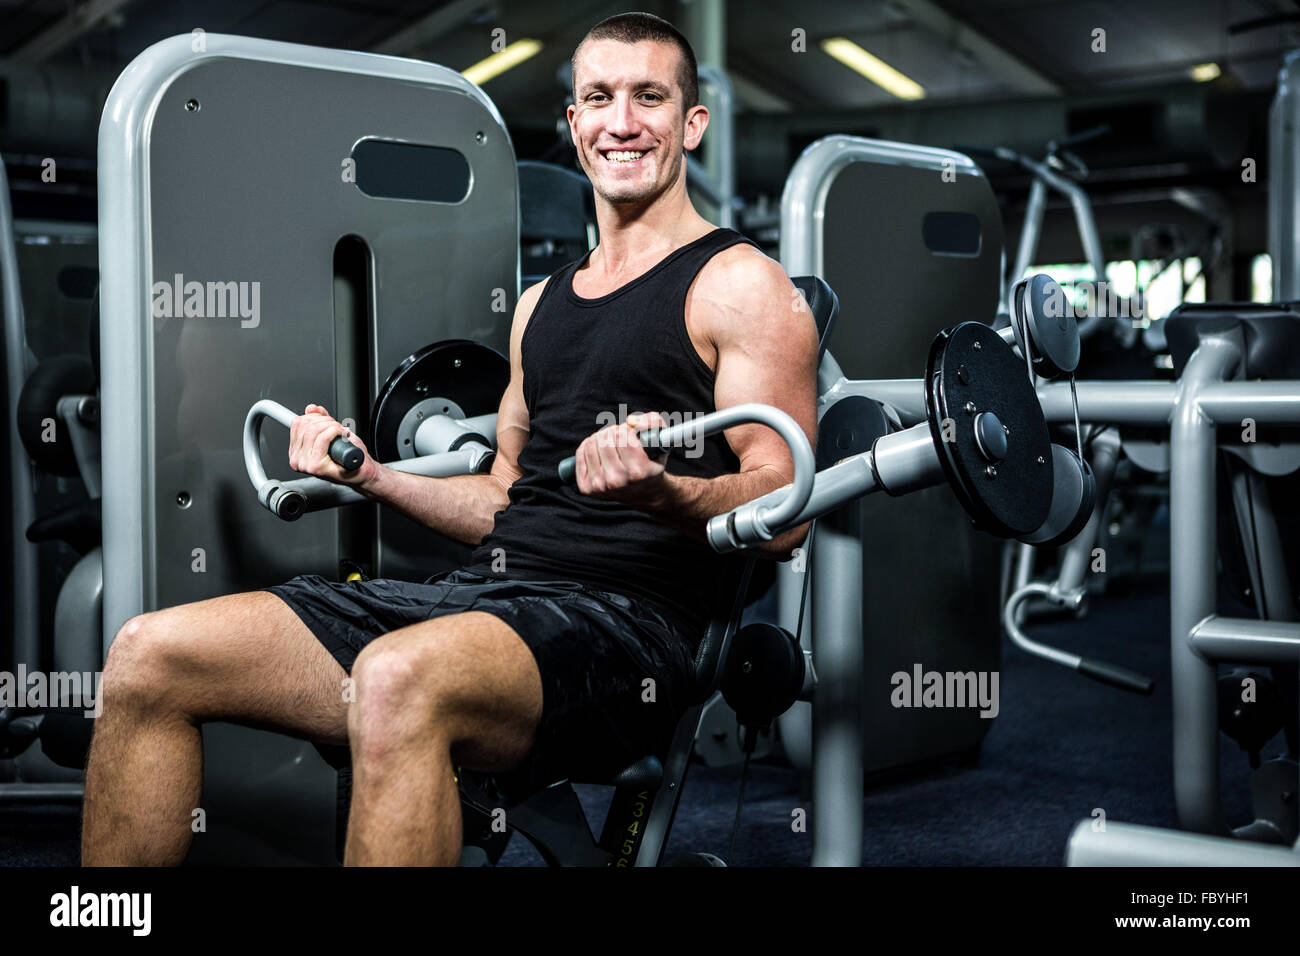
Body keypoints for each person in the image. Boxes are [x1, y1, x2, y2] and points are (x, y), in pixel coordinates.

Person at [81, 11, 818, 866]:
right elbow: (506, 497)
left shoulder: (740, 285)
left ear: (691, 123)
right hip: (481, 604)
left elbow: (788, 502)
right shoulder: (542, 305)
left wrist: (668, 490)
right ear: (573, 124)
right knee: (148, 654)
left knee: (397, 678)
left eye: (649, 97)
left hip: (625, 631)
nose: (622, 122)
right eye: (599, 98)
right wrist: (374, 478)